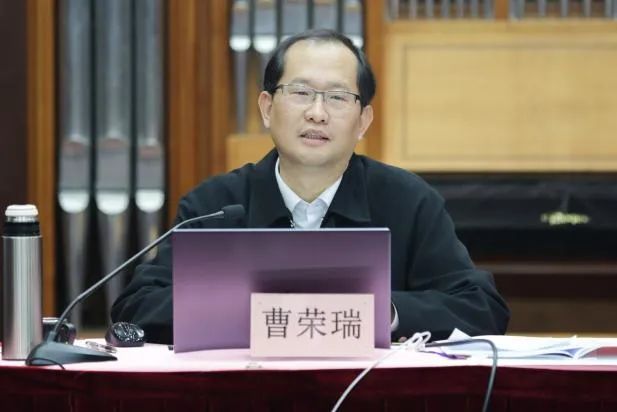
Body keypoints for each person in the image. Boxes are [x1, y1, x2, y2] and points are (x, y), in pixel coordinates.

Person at [111, 29, 510, 344]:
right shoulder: (214, 205)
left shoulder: (408, 202)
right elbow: (137, 307)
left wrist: (380, 312)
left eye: (337, 97)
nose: (317, 113)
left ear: (363, 121)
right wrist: (257, 309)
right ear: (267, 108)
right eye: (301, 93)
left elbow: (481, 308)